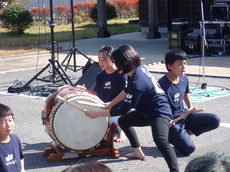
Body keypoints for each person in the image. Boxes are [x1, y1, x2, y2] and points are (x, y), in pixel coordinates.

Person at [85, 45, 179, 172]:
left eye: (116, 62)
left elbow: (123, 109)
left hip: (159, 112)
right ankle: (137, 151)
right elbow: (126, 90)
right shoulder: (136, 69)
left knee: (161, 140)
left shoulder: (137, 82)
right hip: (145, 110)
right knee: (124, 121)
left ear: (124, 64)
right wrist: (111, 103)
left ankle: (175, 170)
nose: (114, 65)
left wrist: (97, 114)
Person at [158, 48, 220, 156]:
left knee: (215, 120)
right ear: (169, 66)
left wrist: (190, 107)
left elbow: (186, 93)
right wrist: (166, 121)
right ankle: (171, 137)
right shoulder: (161, 84)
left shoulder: (184, 79)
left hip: (185, 116)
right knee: (189, 149)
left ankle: (184, 135)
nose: (184, 67)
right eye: (180, 64)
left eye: (185, 63)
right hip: (172, 122)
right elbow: (157, 106)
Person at [94, 45, 128, 142]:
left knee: (115, 121)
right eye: (99, 60)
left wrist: (111, 104)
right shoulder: (100, 76)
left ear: (113, 59)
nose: (101, 62)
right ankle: (110, 131)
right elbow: (98, 95)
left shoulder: (121, 75)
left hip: (118, 110)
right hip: (105, 108)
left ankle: (120, 131)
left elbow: (124, 95)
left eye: (104, 59)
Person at [0, 103, 25, 172]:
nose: (9, 125)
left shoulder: (15, 139)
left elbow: (21, 156)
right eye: (3, 122)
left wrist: (22, 169)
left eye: (10, 120)